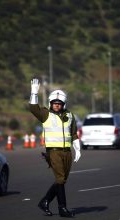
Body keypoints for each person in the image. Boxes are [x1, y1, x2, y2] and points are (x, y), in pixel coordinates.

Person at [29, 78, 81, 217]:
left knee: (62, 180)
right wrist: (34, 93)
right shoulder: (46, 114)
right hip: (53, 152)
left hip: (67, 152)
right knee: (60, 179)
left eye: (59, 103)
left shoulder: (70, 115)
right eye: (54, 103)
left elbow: (74, 133)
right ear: (50, 103)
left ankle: (45, 201)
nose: (56, 105)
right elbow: (33, 109)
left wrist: (78, 148)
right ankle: (62, 208)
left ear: (63, 104)